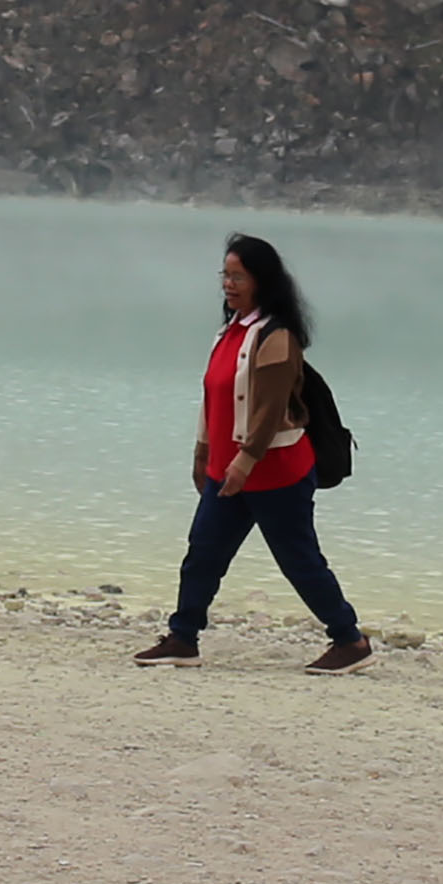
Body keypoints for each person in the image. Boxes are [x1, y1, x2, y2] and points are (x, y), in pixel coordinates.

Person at [137, 233, 367, 670]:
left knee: (299, 561)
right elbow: (214, 398)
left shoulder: (276, 337)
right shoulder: (230, 332)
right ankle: (183, 638)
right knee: (203, 555)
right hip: (228, 473)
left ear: (262, 280)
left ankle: (350, 642)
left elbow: (270, 409)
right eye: (224, 275)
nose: (228, 284)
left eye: (238, 276)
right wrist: (202, 454)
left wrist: (244, 461)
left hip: (277, 473)